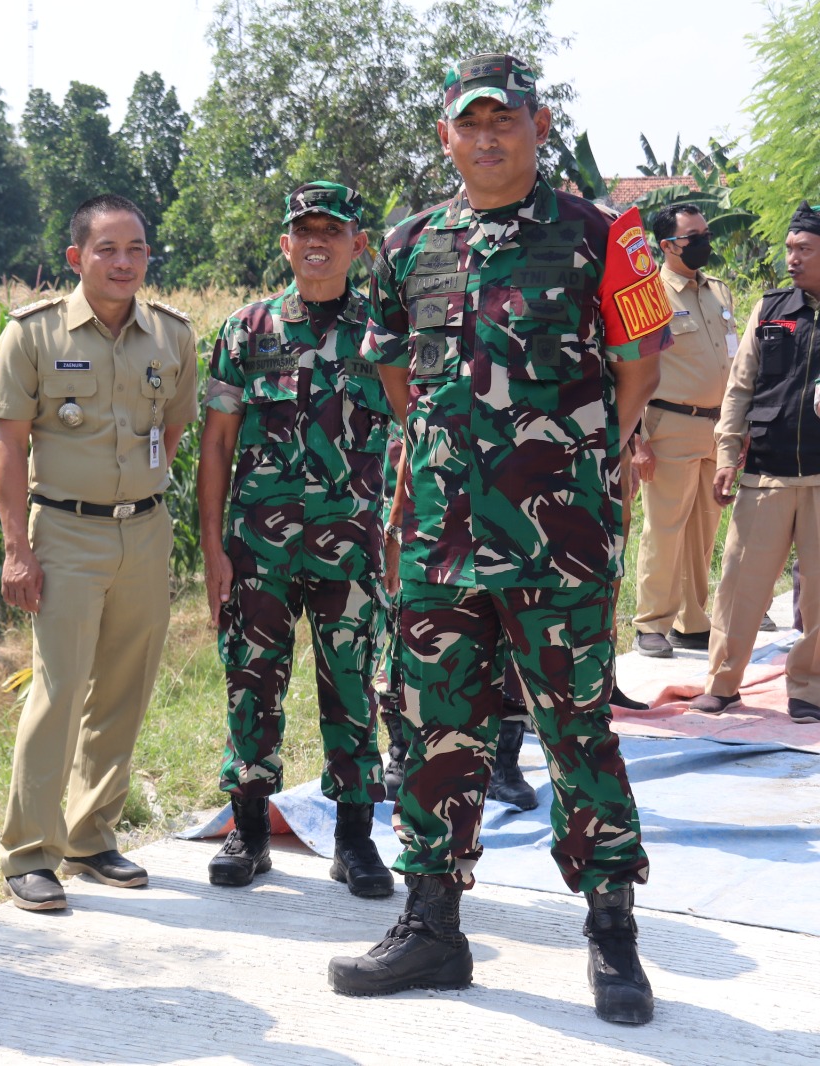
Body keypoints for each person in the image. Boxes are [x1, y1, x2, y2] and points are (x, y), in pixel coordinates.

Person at [327, 54, 670, 1027]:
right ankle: (432, 925)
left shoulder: (602, 235)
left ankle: (611, 929)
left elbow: (638, 367)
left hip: (558, 539)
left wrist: (577, 464)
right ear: (446, 135)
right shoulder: (407, 243)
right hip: (439, 538)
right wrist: (447, 466)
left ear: (538, 125)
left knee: (575, 729)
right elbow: (394, 373)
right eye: (469, 124)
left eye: (503, 121)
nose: (486, 138)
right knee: (433, 729)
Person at [0, 194, 199, 911]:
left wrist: (137, 494)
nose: (123, 262)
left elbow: (172, 430)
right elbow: (8, 448)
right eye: (107, 249)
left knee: (123, 689)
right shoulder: (33, 333)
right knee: (58, 690)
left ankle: (91, 836)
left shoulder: (172, 335)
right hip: (65, 532)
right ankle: (28, 852)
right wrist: (17, 550)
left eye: (136, 248)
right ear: (77, 257)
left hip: (145, 530)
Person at [196, 181, 393, 896]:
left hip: (353, 547)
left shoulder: (383, 332)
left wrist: (399, 534)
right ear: (285, 244)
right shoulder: (245, 331)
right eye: (304, 230)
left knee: (353, 689)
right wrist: (211, 548)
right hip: (258, 550)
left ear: (357, 245)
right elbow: (217, 444)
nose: (317, 242)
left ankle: (354, 839)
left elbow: (413, 433)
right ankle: (248, 832)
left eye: (332, 231)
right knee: (251, 684)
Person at [691, 202, 820, 723]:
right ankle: (722, 684)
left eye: (804, 249)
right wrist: (726, 453)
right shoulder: (771, 309)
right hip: (766, 469)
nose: (792, 258)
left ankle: (808, 688)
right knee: (740, 584)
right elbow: (739, 388)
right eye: (789, 248)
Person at [631, 203, 736, 658]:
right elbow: (629, 368)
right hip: (669, 424)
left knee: (703, 529)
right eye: (693, 236)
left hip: (717, 427)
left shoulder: (718, 291)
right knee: (665, 528)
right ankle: (651, 623)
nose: (704, 242)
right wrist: (637, 441)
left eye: (705, 233)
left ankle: (691, 622)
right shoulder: (651, 294)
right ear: (667, 245)